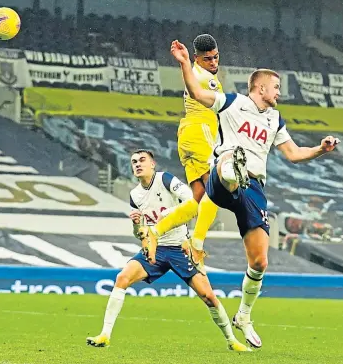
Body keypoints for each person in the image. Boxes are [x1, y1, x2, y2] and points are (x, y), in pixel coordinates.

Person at [169, 39, 341, 349]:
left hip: (253, 189)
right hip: (223, 179)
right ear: (260, 88)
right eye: (275, 87)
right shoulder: (232, 102)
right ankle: (230, 169)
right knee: (228, 163)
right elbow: (196, 93)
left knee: (260, 261)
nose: (279, 92)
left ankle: (244, 316)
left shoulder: (275, 119)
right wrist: (184, 62)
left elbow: (293, 153)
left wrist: (320, 149)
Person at [86, 149, 251, 352]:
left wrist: (169, 213)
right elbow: (141, 234)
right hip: (157, 248)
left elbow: (191, 200)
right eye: (134, 161)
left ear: (152, 164)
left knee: (208, 296)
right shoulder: (134, 195)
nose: (138, 164)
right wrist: (137, 225)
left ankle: (231, 340)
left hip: (180, 247)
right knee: (122, 278)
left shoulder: (165, 179)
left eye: (142, 160)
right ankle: (105, 335)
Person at [138, 34, 222, 269]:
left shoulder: (196, 71)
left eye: (216, 57)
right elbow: (223, 106)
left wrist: (185, 63)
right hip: (201, 132)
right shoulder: (206, 78)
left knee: (197, 199)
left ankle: (156, 231)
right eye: (208, 59)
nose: (213, 63)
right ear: (198, 58)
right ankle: (195, 245)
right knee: (217, 192)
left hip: (188, 135)